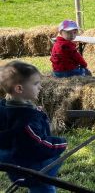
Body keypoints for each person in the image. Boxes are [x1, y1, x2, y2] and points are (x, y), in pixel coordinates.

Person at [0, 61, 67, 192]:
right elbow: (38, 143)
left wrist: (35, 111)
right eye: (36, 84)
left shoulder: (6, 108)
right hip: (33, 168)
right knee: (46, 183)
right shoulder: (27, 120)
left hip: (15, 163)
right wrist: (61, 143)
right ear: (19, 89)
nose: (40, 87)